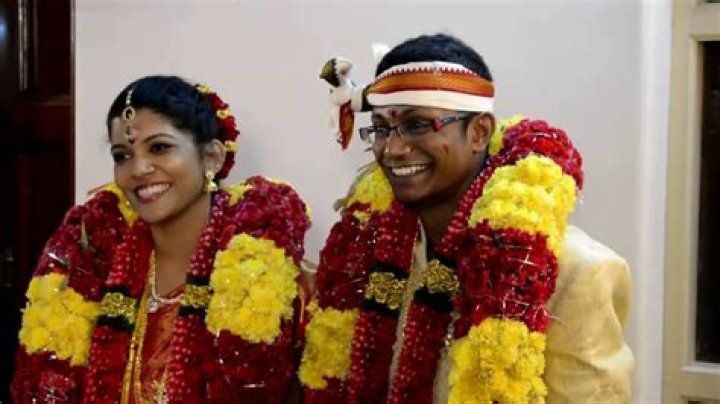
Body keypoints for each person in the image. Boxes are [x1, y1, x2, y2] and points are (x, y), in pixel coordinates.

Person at [299, 33, 633, 403]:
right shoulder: (369, 256)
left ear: (479, 132)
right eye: (380, 128)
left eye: (418, 124)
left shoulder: (575, 273)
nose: (392, 148)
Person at [11, 75, 311, 403]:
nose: (139, 169)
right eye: (122, 155)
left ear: (212, 157)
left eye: (159, 148)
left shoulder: (280, 287)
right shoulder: (91, 275)